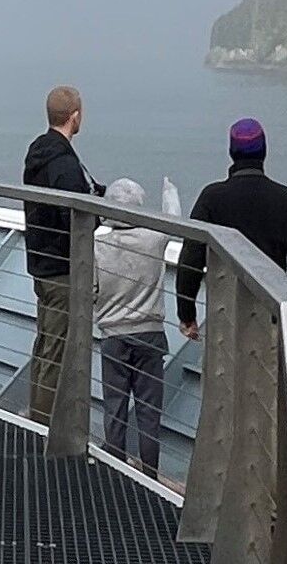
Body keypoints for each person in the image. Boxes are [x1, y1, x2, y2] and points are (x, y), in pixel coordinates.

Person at [175, 116, 287, 341]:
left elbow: (191, 260)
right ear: (264, 152)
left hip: (225, 316)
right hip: (271, 314)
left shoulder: (212, 198)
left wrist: (187, 314)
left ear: (232, 152)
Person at [18, 84, 94, 422]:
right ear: (74, 116)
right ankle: (44, 423)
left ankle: (37, 412)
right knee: (57, 347)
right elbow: (72, 216)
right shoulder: (64, 163)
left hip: (40, 259)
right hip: (61, 266)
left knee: (46, 341)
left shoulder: (38, 152)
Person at [90, 177, 170, 476]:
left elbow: (92, 291)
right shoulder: (155, 239)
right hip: (150, 333)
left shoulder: (97, 245)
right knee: (149, 412)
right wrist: (169, 191)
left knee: (115, 406)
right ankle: (150, 474)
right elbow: (175, 221)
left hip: (113, 336)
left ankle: (115, 468)